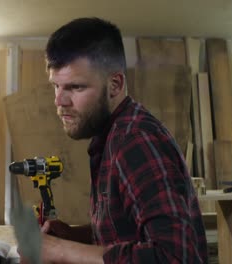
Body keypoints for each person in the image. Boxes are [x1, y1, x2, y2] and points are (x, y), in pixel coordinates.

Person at [32, 17, 208, 263]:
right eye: (56, 86)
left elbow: (176, 257)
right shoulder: (112, 136)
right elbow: (130, 234)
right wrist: (76, 236)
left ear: (115, 84)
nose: (59, 101)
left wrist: (59, 251)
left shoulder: (136, 140)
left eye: (75, 87)